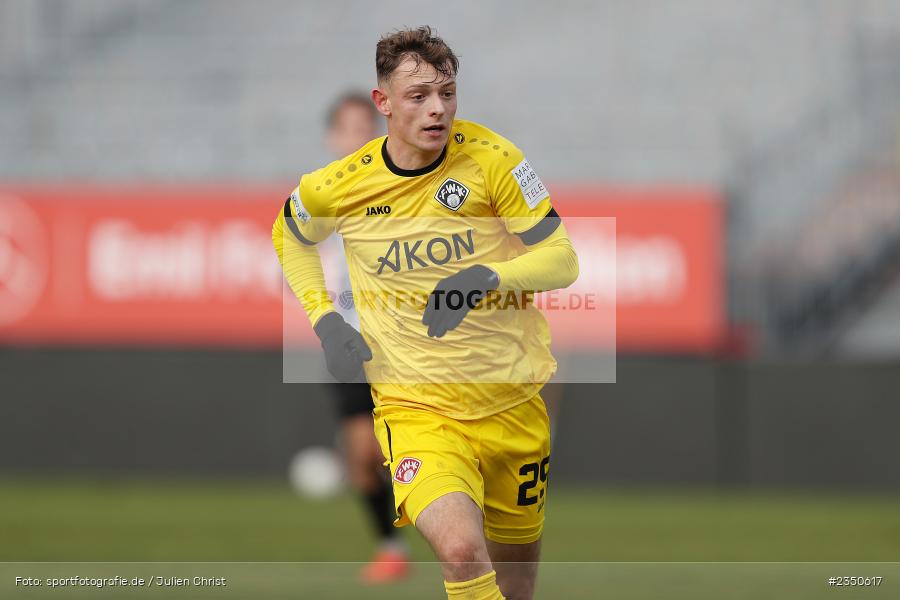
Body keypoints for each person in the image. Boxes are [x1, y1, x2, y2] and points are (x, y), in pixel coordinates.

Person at [273, 26, 578, 600]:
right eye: (419, 96)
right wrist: (326, 320)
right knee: (462, 554)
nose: (438, 109)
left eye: (448, 92)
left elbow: (562, 258)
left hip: (511, 405)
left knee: (515, 589)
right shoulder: (339, 185)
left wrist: (485, 278)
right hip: (415, 408)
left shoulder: (495, 160)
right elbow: (289, 234)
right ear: (383, 103)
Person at [319, 91, 411, 583]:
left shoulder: (394, 188)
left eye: (365, 127)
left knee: (393, 446)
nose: (357, 137)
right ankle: (392, 548)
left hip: (398, 341)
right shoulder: (319, 197)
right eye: (348, 129)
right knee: (361, 457)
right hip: (349, 342)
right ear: (333, 137)